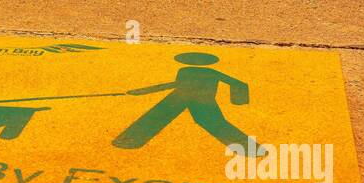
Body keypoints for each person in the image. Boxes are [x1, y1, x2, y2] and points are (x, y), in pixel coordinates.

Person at [112, 53, 265, 153]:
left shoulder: (195, 71)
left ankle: (130, 140)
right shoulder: (194, 72)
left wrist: (239, 99)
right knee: (213, 123)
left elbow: (237, 83)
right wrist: (143, 91)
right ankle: (129, 140)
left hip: (191, 99)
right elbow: (237, 84)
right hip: (190, 98)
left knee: (156, 117)